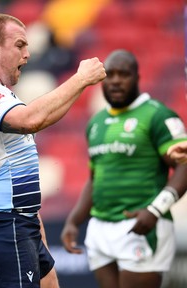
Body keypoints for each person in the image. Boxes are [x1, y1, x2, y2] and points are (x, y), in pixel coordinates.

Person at [0, 13, 106, 288]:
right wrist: (80, 79)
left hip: (21, 222)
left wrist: (34, 223)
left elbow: (40, 120)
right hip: (0, 225)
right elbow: (30, 119)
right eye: (20, 45)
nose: (28, 54)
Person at [60, 49, 187, 288]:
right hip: (100, 226)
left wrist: (155, 210)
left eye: (124, 74)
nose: (116, 80)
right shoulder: (96, 123)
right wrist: (74, 221)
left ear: (138, 78)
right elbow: (95, 177)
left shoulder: (158, 115)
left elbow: (184, 167)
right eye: (111, 75)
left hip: (141, 224)